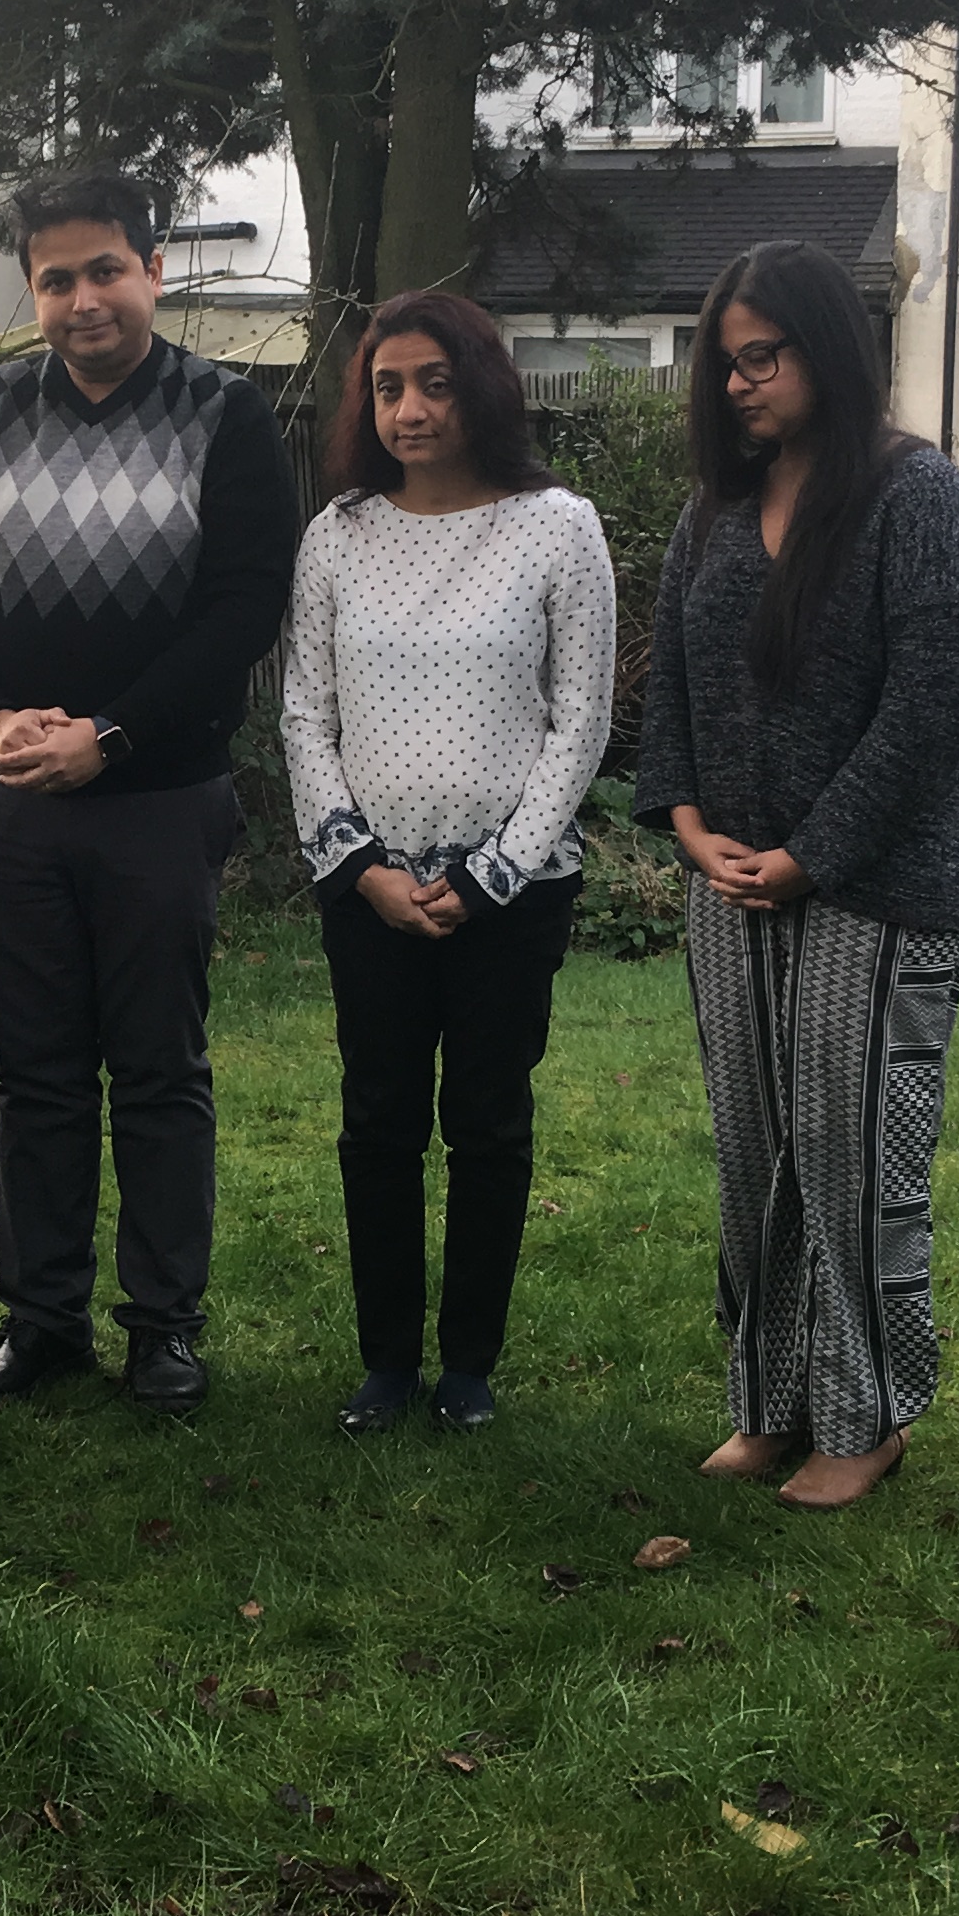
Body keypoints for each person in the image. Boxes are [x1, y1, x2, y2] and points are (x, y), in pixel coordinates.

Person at [0, 167, 297, 1414]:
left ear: (154, 268)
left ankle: (164, 1326)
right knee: (37, 1075)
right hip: (14, 806)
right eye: (57, 278)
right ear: (32, 287)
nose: (83, 300)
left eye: (105, 270)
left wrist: (111, 737)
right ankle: (42, 1321)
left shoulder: (226, 415)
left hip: (161, 800)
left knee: (161, 1073)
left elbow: (243, 610)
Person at [635, 242, 959, 1512]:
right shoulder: (715, 511)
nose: (737, 385)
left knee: (849, 1155)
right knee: (756, 1153)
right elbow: (669, 674)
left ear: (827, 352)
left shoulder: (914, 493)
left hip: (880, 889)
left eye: (762, 358)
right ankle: (771, 1405)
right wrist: (683, 819)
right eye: (724, 363)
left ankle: (871, 1417)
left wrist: (811, 856)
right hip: (730, 882)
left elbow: (929, 705)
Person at [279, 290, 616, 1435]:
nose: (409, 409)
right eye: (386, 387)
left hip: (509, 900)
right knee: (377, 1122)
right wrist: (361, 868)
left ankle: (467, 1365)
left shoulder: (559, 525)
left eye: (431, 382)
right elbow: (303, 717)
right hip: (368, 892)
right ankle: (385, 1363)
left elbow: (582, 720)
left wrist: (492, 876)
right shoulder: (337, 535)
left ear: (481, 386)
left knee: (486, 1123)